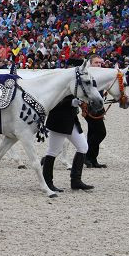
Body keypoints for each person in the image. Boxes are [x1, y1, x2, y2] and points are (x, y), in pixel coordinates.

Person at [41, 62, 94, 192]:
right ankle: (47, 182)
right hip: (59, 120)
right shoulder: (58, 81)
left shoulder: (76, 82)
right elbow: (52, 101)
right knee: (53, 151)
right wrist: (71, 102)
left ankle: (76, 180)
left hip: (72, 120)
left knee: (83, 147)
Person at [83, 55, 107, 169]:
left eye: (100, 63)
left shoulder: (100, 75)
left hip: (98, 106)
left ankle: (92, 159)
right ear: (90, 64)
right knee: (101, 132)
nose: (99, 65)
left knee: (93, 132)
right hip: (89, 107)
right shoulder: (87, 75)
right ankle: (86, 155)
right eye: (96, 63)